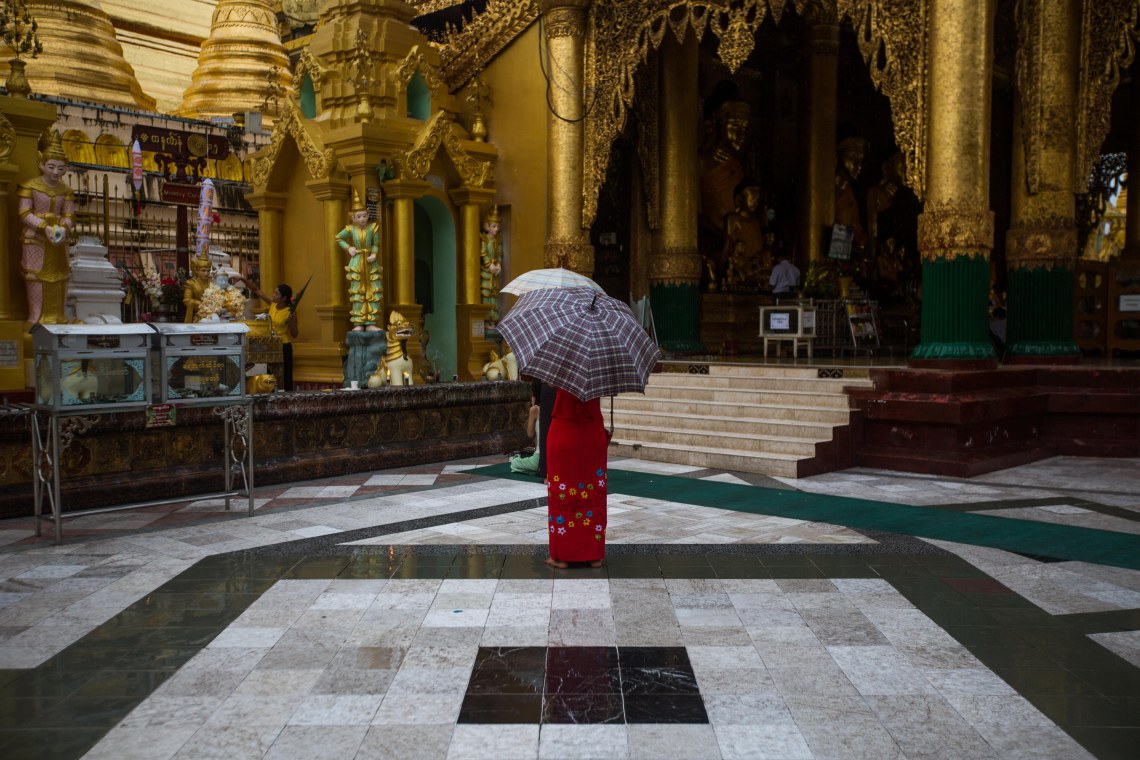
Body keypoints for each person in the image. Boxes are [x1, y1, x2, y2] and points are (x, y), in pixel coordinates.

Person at [543, 387, 608, 569]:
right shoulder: (597, 375)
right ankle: (594, 556)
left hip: (564, 432)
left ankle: (562, 557)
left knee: (563, 493)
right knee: (593, 493)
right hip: (592, 432)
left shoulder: (564, 374)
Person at [18, 130, 75, 326]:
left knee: (61, 276)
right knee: (34, 275)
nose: (55, 172)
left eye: (60, 168)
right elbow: (24, 213)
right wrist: (44, 226)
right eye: (51, 166)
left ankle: (59, 317)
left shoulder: (66, 190)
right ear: (41, 164)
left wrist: (63, 228)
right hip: (35, 238)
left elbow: (69, 214)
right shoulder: (30, 186)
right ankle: (35, 318)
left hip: (58, 238)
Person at [236, 276, 297, 391]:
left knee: (285, 375)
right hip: (271, 344)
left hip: (284, 345)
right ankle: (272, 394)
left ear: (284, 298)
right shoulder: (273, 304)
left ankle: (286, 396)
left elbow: (295, 334)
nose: (273, 295)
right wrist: (242, 279)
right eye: (274, 292)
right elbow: (256, 290)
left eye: (277, 294)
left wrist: (292, 322)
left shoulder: (290, 311)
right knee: (270, 374)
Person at [335, 192, 382, 331]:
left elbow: (376, 244)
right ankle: (358, 323)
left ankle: (371, 323)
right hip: (356, 261)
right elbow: (338, 238)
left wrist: (374, 254)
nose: (362, 219)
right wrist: (349, 248)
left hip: (370, 261)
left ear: (368, 215)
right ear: (353, 218)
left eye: (364, 216)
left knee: (372, 290)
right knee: (357, 292)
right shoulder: (350, 229)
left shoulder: (373, 228)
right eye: (359, 216)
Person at [509, 381, 542, 475]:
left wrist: (533, 405)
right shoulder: (553, 407)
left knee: (514, 464)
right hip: (552, 456)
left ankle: (517, 458)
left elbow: (530, 434)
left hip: (539, 458)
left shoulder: (535, 409)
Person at [480, 206, 504, 325]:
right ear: (487, 226)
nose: (496, 229)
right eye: (494, 226)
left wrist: (498, 264)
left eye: (497, 226)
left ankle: (493, 319)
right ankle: (486, 319)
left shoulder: (497, 241)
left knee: (494, 294)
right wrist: (489, 265)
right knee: (486, 293)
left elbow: (499, 253)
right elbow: (483, 253)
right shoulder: (484, 239)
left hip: (494, 272)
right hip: (486, 271)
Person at [183, 252, 212, 322]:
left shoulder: (211, 282)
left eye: (208, 271)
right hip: (196, 315)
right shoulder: (191, 283)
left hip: (212, 313)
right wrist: (200, 304)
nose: (206, 273)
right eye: (203, 270)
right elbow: (187, 300)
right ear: (196, 271)